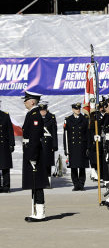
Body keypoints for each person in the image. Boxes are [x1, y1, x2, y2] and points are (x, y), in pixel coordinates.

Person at [22, 91, 49, 222]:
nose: (24, 102)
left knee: (37, 182)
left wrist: (32, 156)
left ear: (32, 101)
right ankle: (35, 211)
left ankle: (40, 212)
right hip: (30, 151)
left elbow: (34, 137)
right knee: (33, 182)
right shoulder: (31, 114)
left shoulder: (35, 116)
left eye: (26, 100)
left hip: (34, 152)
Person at [63, 103, 90, 191]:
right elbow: (66, 136)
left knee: (82, 166)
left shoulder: (85, 119)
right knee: (73, 166)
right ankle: (75, 184)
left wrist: (88, 147)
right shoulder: (68, 120)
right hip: (72, 146)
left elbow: (88, 134)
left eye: (79, 108)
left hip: (82, 145)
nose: (78, 110)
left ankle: (81, 185)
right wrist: (65, 148)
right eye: (76, 109)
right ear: (73, 110)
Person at [39, 101, 58, 189]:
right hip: (39, 143)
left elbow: (54, 133)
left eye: (44, 110)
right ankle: (40, 182)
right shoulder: (36, 117)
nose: (43, 112)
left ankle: (48, 182)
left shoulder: (51, 118)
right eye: (41, 110)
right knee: (39, 164)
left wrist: (54, 145)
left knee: (47, 164)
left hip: (48, 144)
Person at [0, 99, 15, 193]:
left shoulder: (5, 115)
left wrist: (11, 144)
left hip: (4, 145)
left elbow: (10, 131)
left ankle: (6, 186)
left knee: (5, 167)